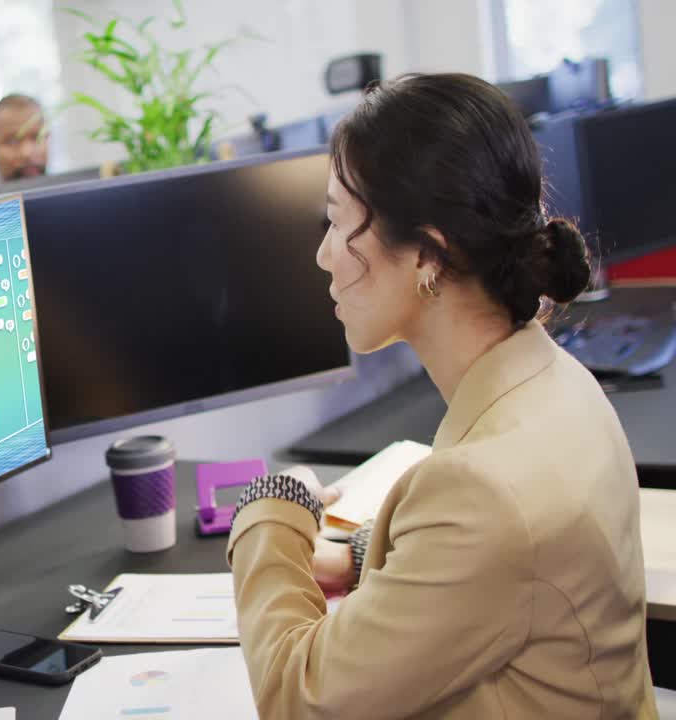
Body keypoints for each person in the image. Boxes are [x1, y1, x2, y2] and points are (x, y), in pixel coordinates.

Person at [228, 73, 657, 719]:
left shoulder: (483, 491)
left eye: (338, 223)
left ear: (428, 254)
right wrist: (360, 555)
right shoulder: (556, 379)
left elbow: (297, 698)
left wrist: (270, 514)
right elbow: (511, 569)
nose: (323, 256)